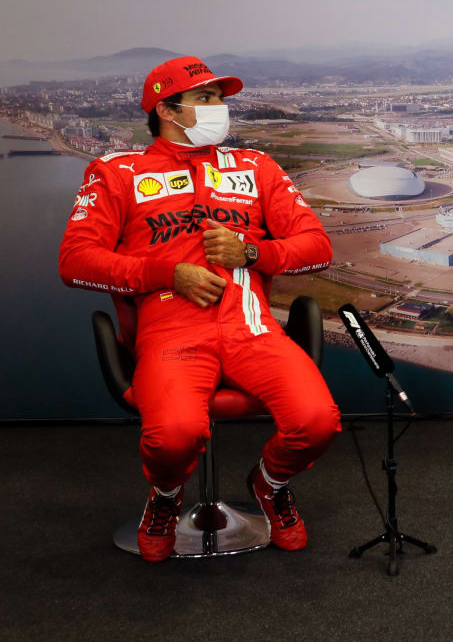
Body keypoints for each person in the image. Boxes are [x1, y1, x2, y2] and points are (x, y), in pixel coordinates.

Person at [58, 56, 341, 561]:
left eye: (221, 98)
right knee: (173, 437)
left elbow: (318, 247)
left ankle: (269, 484)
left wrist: (254, 252)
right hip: (171, 333)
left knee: (317, 421)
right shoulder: (117, 171)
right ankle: (166, 496)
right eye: (207, 99)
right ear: (168, 109)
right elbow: (75, 261)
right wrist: (167, 273)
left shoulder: (257, 167)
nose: (221, 108)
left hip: (251, 329)